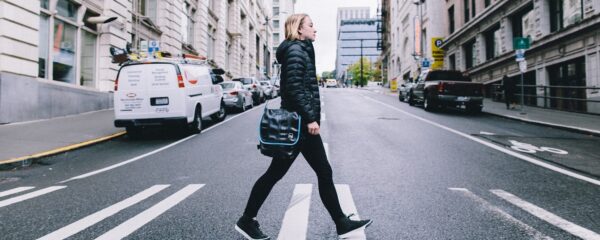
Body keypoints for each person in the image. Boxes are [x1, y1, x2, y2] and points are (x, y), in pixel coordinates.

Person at [235, 14, 372, 240]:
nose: (315, 29)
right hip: (299, 126)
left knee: (314, 172)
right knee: (284, 174)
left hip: (299, 124)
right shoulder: (296, 51)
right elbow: (295, 88)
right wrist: (310, 118)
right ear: (298, 30)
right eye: (310, 25)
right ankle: (247, 220)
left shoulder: (301, 49)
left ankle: (341, 223)